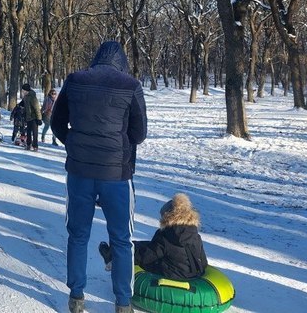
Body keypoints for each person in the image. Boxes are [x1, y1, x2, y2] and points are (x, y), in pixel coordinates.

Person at [51, 40, 147, 313]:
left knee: (78, 234)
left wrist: (73, 143)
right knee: (121, 239)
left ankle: (76, 297)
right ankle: (123, 303)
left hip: (80, 172)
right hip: (116, 175)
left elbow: (57, 122)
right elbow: (139, 134)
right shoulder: (130, 86)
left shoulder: (75, 79)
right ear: (122, 62)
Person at [99, 193, 207, 280]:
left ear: (167, 218)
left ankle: (114, 257)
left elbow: (148, 256)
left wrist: (132, 254)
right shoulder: (194, 234)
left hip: (173, 272)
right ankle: (120, 249)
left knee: (138, 251)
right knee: (143, 245)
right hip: (193, 272)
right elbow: (203, 260)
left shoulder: (166, 236)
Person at [21, 83, 42, 152]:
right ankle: (28, 144)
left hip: (34, 117)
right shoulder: (25, 97)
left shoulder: (32, 97)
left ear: (26, 90)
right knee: (28, 132)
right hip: (28, 117)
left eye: (23, 90)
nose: (22, 91)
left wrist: (39, 118)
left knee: (35, 133)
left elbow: (37, 108)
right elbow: (25, 104)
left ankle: (35, 146)